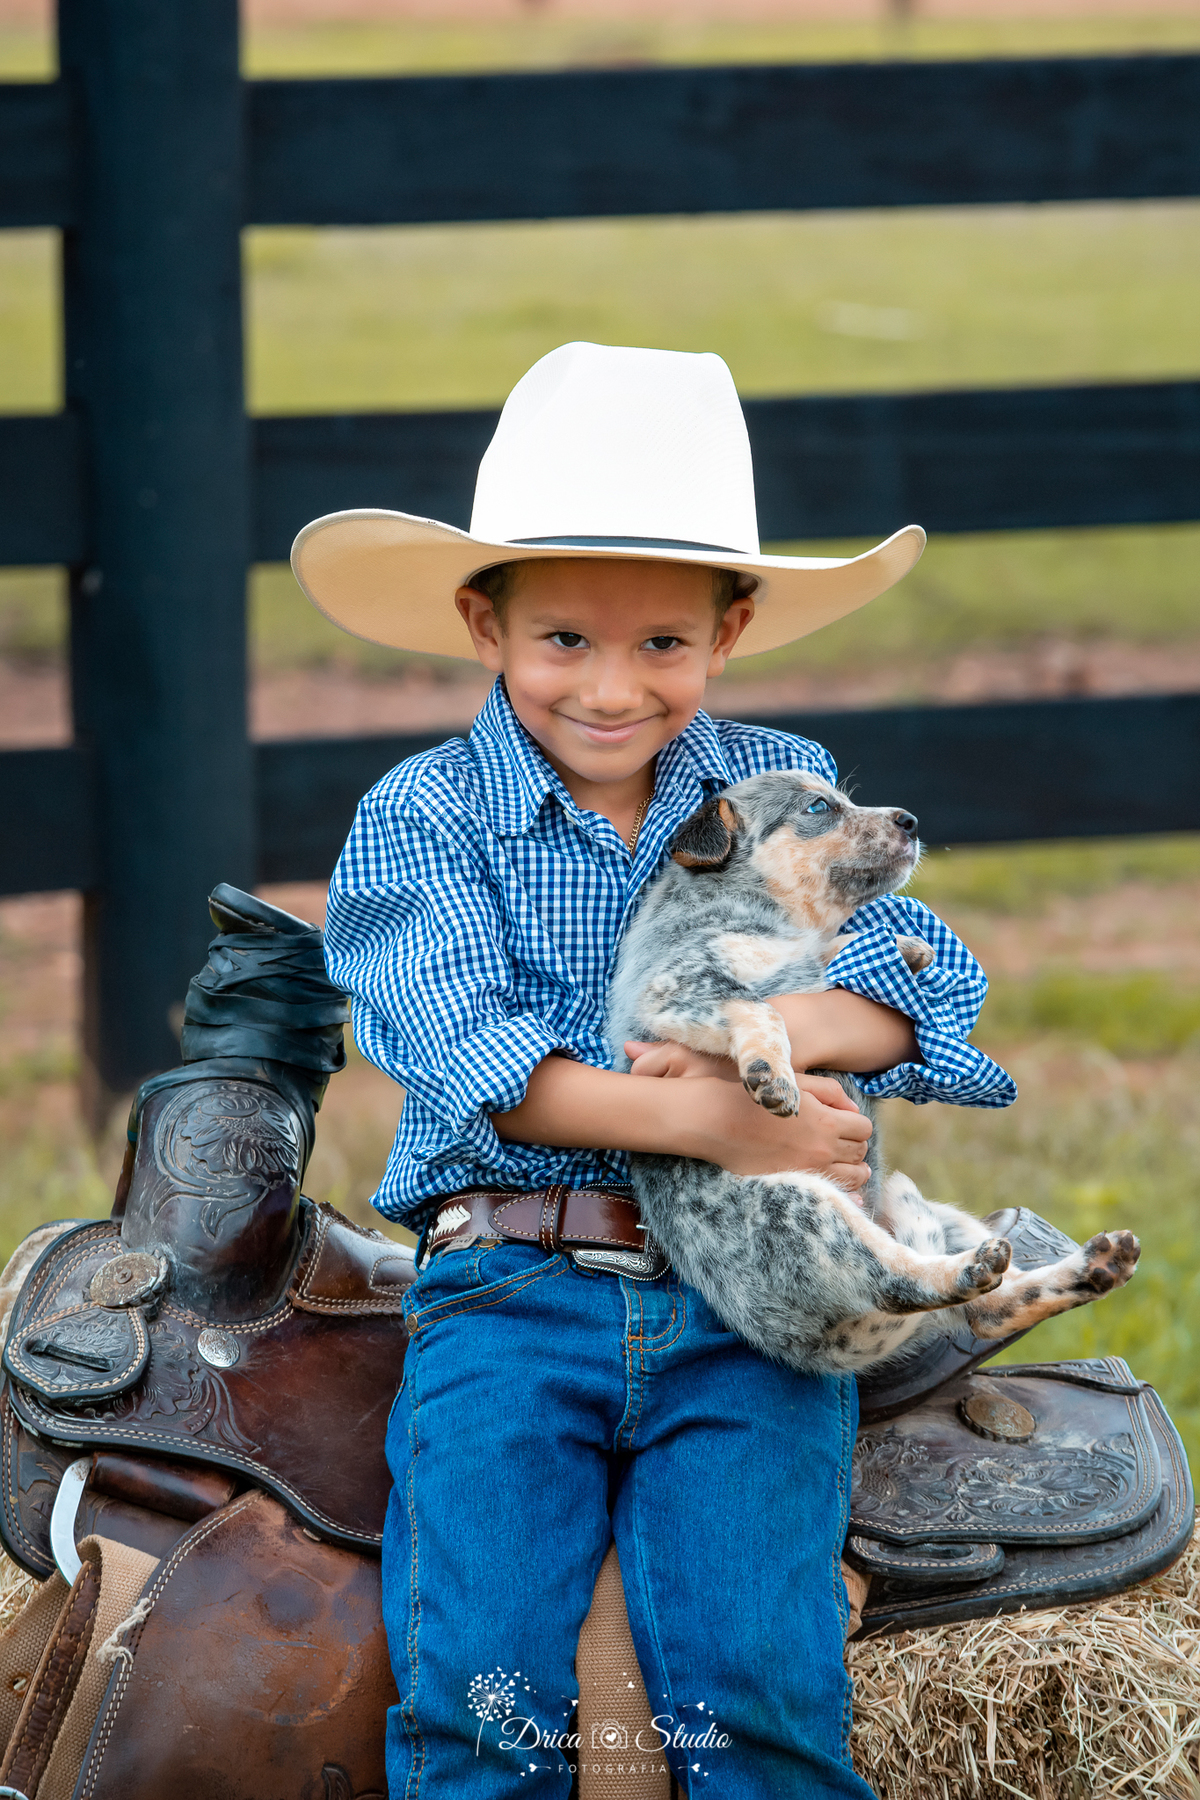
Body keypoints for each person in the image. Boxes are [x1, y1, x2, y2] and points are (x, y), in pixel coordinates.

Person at [293, 342, 1015, 1798]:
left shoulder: (778, 786)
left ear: (731, 629)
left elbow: (931, 973)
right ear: (481, 624)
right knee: (478, 1699)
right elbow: (473, 1057)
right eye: (564, 639)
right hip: (513, 1286)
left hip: (745, 1302)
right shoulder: (423, 819)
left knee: (759, 1693)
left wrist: (796, 1033)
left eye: (663, 646)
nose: (614, 688)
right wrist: (719, 1123)